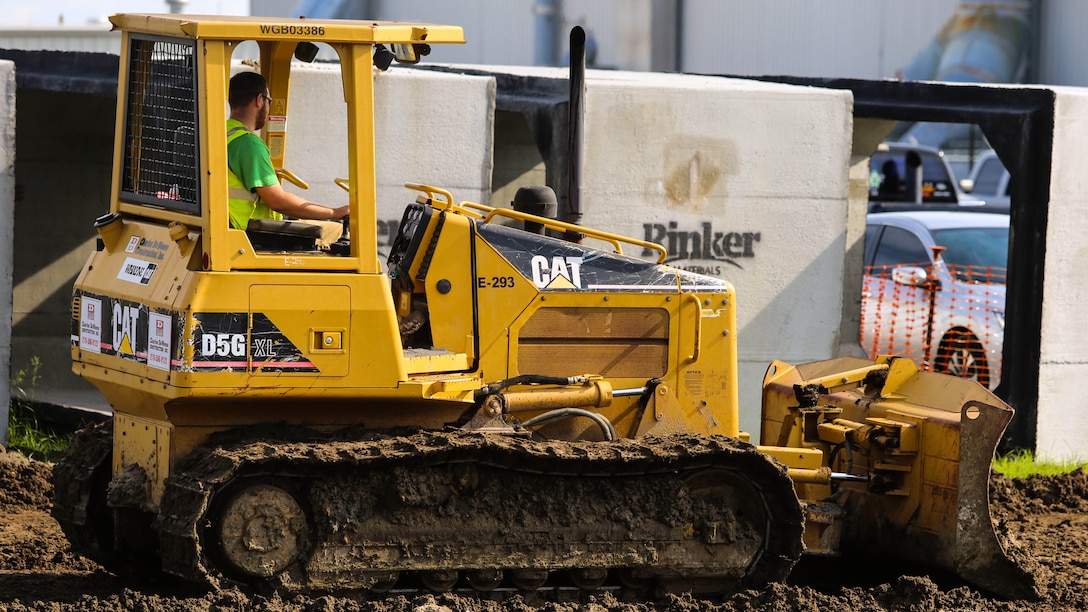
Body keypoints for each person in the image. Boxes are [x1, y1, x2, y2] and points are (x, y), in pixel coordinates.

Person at [226, 71, 348, 234]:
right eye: (269, 101)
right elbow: (277, 201)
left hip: (234, 227)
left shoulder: (223, 133)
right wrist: (335, 213)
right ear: (259, 99)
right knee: (335, 231)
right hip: (249, 235)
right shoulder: (248, 145)